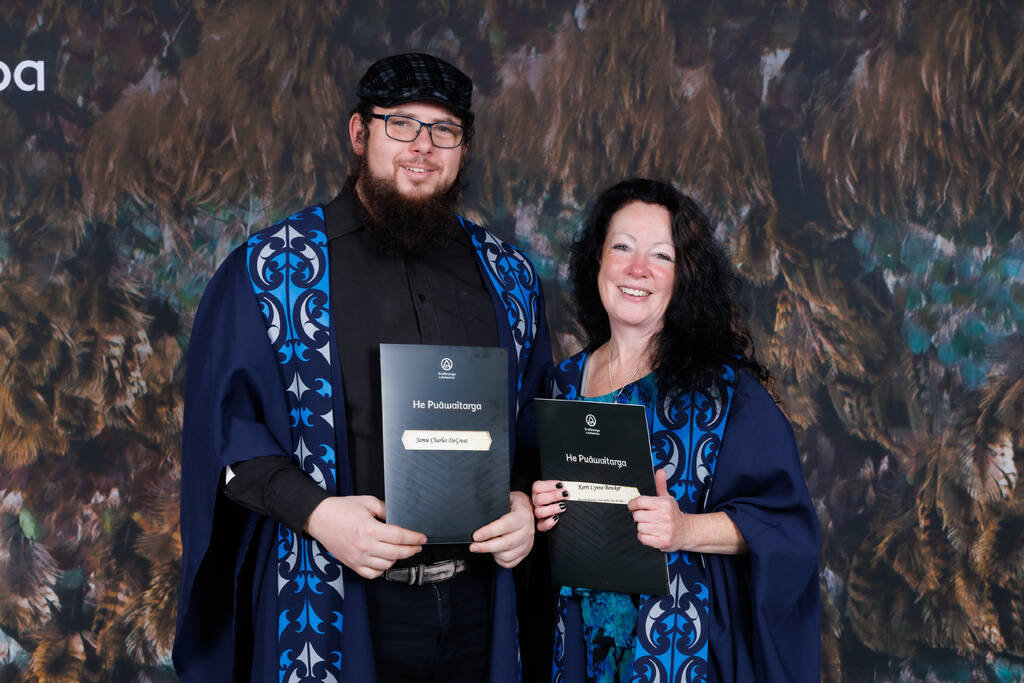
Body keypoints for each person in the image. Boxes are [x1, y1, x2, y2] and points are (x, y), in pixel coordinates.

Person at [173, 53, 552, 682]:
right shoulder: (275, 271)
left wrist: (522, 503)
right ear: (359, 133)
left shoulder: (508, 278)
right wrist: (320, 514)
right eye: (401, 124)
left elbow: (536, 427)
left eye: (444, 130)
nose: (423, 148)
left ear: (464, 146)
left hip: (479, 607)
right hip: (334, 599)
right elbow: (226, 436)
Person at [531, 179, 820, 682]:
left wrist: (685, 529)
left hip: (679, 654)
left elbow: (787, 529)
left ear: (683, 277)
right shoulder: (561, 385)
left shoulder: (727, 394)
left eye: (660, 256)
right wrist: (539, 506)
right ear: (597, 260)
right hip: (578, 648)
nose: (636, 269)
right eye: (621, 247)